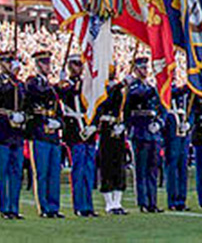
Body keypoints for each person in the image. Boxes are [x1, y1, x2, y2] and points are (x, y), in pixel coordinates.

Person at [24, 49, 65, 218]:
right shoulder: (33, 82)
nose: (48, 66)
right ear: (38, 65)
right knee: (41, 172)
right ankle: (44, 207)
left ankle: (54, 207)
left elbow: (59, 111)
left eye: (49, 62)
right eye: (45, 63)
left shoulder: (51, 87)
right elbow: (37, 94)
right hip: (39, 132)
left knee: (54, 173)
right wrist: (57, 86)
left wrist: (59, 123)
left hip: (53, 134)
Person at [0, 49, 27, 220]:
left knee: (16, 172)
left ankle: (14, 207)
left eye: (13, 61)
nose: (11, 65)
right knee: (2, 172)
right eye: (8, 62)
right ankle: (4, 208)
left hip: (16, 133)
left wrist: (22, 115)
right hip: (1, 131)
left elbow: (25, 101)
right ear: (1, 63)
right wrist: (12, 79)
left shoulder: (19, 84)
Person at [124, 56, 166, 213]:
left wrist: (159, 123)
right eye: (141, 68)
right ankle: (143, 202)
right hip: (140, 130)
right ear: (135, 70)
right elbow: (140, 96)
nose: (145, 71)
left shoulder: (150, 86)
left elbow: (163, 107)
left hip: (152, 132)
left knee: (153, 169)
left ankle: (153, 202)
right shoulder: (134, 87)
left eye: (145, 68)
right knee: (141, 170)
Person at [59, 54, 97, 217]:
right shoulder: (67, 85)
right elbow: (66, 96)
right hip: (75, 131)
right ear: (68, 66)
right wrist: (62, 84)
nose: (79, 68)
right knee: (78, 170)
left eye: (81, 64)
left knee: (89, 170)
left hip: (87, 130)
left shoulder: (87, 84)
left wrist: (94, 126)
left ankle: (88, 205)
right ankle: (79, 205)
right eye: (76, 64)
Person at [96, 65, 128, 215]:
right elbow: (104, 101)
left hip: (118, 128)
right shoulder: (100, 87)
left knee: (119, 165)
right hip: (106, 128)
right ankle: (109, 203)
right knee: (107, 165)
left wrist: (122, 124)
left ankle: (118, 202)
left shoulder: (118, 89)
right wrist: (121, 85)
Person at [164, 83, 192, 211]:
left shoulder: (184, 95)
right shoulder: (165, 88)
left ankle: (181, 199)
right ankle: (173, 199)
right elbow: (171, 94)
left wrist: (189, 123)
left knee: (183, 167)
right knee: (172, 166)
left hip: (183, 130)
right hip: (172, 130)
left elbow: (191, 109)